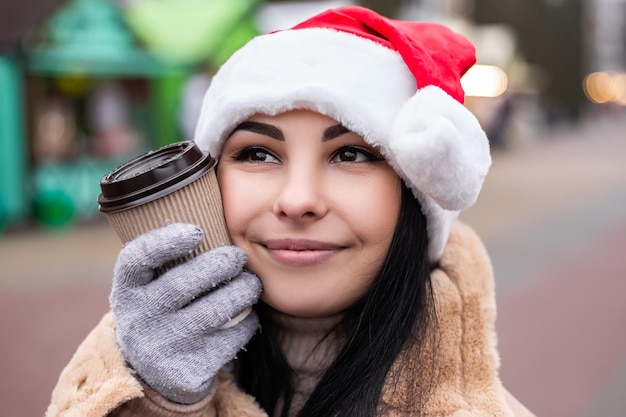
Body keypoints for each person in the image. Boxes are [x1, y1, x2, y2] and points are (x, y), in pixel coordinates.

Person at [46, 6, 536, 417]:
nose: (298, 200)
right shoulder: (129, 367)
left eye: (351, 154)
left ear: (414, 197)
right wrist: (152, 402)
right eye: (258, 154)